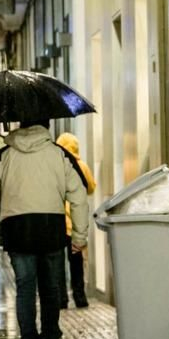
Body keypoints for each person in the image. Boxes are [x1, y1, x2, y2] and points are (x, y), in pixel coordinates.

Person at [0, 123, 89, 339]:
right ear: (46, 126)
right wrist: (79, 237)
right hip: (51, 227)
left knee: (25, 290)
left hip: (17, 230)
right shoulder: (59, 154)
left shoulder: (5, 155)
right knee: (50, 289)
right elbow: (79, 196)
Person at [55, 132, 97, 308]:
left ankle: (62, 299)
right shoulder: (82, 166)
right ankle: (80, 297)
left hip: (58, 223)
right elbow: (91, 188)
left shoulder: (55, 165)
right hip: (75, 224)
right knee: (76, 262)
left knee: (58, 264)